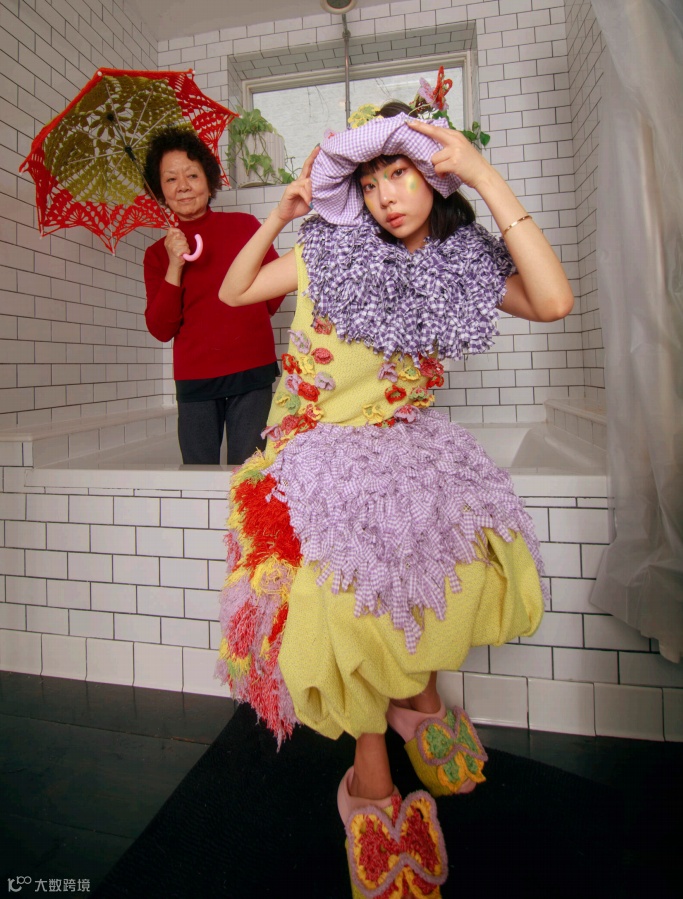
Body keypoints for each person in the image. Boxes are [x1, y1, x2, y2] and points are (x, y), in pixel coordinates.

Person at [215, 103, 573, 897]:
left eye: (399, 173)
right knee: (346, 604)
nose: (384, 195)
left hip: (403, 446)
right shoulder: (328, 253)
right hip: (313, 451)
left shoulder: (460, 263)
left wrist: (482, 173)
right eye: (370, 181)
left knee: (446, 572)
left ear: (432, 177)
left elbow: (553, 301)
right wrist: (280, 213)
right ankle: (370, 762)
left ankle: (421, 701)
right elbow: (236, 290)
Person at [143, 126, 285, 465]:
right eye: (170, 179)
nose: (183, 186)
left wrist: (242, 323)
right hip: (194, 379)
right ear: (160, 191)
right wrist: (175, 265)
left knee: (248, 473)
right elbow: (161, 329)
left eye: (192, 175)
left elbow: (274, 292)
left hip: (251, 371)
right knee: (197, 474)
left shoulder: (244, 226)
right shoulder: (157, 254)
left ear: (208, 180)